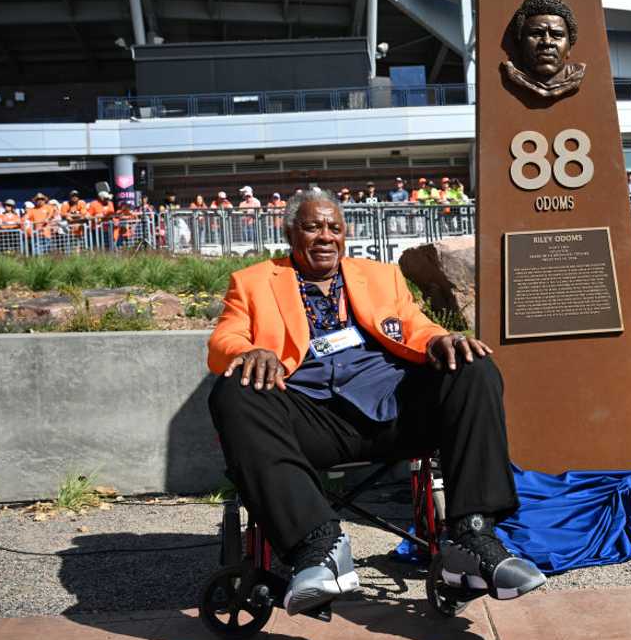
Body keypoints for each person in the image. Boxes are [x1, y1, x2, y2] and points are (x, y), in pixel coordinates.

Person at [206, 191, 546, 616]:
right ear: (291, 232)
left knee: (472, 366)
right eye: (313, 227)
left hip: (393, 411)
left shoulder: (380, 276)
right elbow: (224, 338)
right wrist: (247, 351)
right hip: (310, 418)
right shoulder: (254, 281)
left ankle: (473, 538)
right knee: (233, 391)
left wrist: (441, 339)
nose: (325, 237)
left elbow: (416, 325)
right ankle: (319, 547)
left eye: (334, 227)